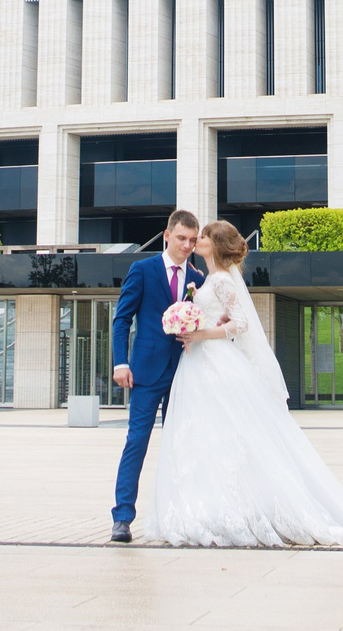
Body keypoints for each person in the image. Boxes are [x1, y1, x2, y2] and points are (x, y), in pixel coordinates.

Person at [136, 221, 343, 548]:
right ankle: (205, 509)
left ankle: (237, 512)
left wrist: (202, 334)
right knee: (204, 439)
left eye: (203, 236)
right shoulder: (208, 280)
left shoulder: (224, 281)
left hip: (215, 363)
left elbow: (240, 324)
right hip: (197, 363)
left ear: (215, 244)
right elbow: (221, 319)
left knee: (226, 438)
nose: (197, 240)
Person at [108, 209, 206, 543]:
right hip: (146, 373)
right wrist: (121, 363)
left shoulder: (199, 277)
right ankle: (122, 518)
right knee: (136, 442)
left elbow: (200, 321)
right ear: (167, 236)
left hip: (184, 373)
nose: (187, 246)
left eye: (193, 241)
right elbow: (122, 320)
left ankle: (182, 516)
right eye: (181, 239)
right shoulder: (142, 270)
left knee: (182, 446)